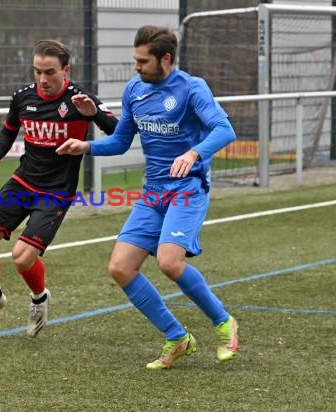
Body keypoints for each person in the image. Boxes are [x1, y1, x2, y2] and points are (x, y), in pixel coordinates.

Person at [57, 25, 239, 369]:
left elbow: (224, 129)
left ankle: (223, 323)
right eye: (135, 60)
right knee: (120, 268)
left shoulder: (191, 88)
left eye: (143, 61)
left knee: (170, 262)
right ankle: (177, 338)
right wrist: (87, 146)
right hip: (153, 192)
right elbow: (121, 141)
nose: (136, 67)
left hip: (187, 190)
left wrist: (193, 154)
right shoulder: (134, 89)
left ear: (165, 59)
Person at [0, 39, 118, 338]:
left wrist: (92, 114)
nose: (43, 79)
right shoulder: (23, 97)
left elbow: (118, 131)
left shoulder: (80, 98)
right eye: (38, 72)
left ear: (66, 70)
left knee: (22, 258)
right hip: (24, 180)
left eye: (50, 72)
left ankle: (39, 299)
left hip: (56, 191)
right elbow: (9, 128)